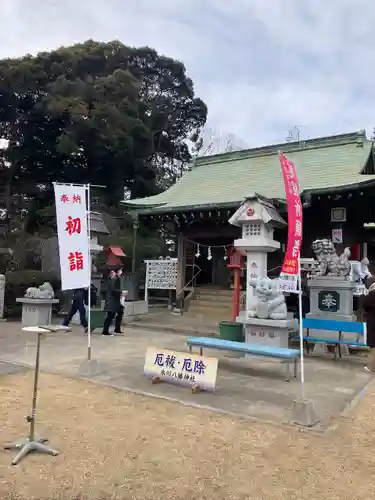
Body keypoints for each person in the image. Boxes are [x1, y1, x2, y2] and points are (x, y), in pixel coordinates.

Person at [102, 269, 124, 336]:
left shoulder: (113, 280)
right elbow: (114, 290)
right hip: (112, 301)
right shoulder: (112, 280)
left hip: (114, 301)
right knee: (110, 316)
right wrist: (121, 293)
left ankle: (117, 329)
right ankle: (105, 331)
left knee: (120, 312)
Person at [361, 276, 375, 372]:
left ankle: (371, 367)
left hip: (373, 322)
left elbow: (364, 304)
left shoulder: (372, 293)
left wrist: (366, 294)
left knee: (373, 345)